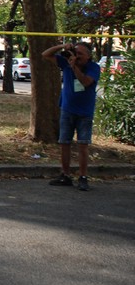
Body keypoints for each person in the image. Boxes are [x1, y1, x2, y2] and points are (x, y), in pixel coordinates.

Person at [42, 41, 100, 191]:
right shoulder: (66, 63)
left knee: (83, 145)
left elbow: (86, 82)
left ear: (89, 56)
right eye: (76, 52)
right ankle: (66, 175)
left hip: (85, 113)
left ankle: (83, 177)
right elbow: (45, 54)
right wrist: (62, 47)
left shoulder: (93, 68)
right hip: (67, 110)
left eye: (80, 54)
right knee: (64, 143)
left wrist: (74, 66)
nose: (77, 56)